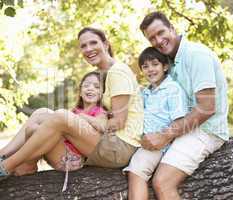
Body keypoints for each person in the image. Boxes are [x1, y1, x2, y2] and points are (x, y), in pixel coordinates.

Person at [0, 27, 143, 178]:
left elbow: (118, 123)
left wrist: (83, 119)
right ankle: (4, 155)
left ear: (106, 45)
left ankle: (5, 167)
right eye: (83, 46)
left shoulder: (117, 72)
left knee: (62, 117)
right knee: (41, 113)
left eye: (93, 43)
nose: (88, 49)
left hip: (120, 147)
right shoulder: (104, 75)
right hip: (107, 141)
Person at [139, 11, 229, 199]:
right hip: (185, 128)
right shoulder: (169, 61)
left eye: (161, 32)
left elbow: (207, 108)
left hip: (206, 130)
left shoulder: (196, 55)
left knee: (162, 182)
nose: (159, 40)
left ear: (172, 28)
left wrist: (164, 136)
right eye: (152, 38)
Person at [0, 71, 107, 175]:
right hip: (61, 151)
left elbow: (103, 126)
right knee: (36, 121)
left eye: (97, 87)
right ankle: (7, 155)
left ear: (103, 93)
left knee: (43, 123)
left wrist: (83, 117)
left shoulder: (100, 112)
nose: (90, 88)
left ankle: (18, 164)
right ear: (79, 91)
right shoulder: (74, 111)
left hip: (73, 160)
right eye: (86, 85)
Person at [123, 47, 188, 200]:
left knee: (136, 173)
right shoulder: (146, 92)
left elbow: (180, 121)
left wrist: (162, 139)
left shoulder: (173, 89)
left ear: (165, 66)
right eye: (145, 66)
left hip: (159, 144)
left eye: (154, 64)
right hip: (144, 141)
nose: (150, 69)